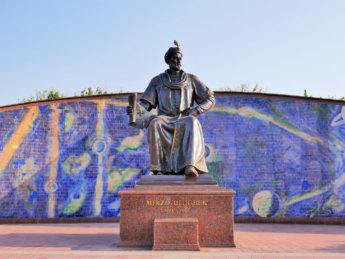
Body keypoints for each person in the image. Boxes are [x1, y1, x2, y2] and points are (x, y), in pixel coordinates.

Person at [127, 41, 215, 177]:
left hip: (184, 117)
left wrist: (195, 111)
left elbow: (210, 98)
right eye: (174, 58)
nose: (178, 60)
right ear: (168, 60)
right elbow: (145, 105)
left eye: (179, 58)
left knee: (192, 122)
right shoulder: (157, 81)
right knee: (155, 123)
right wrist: (134, 110)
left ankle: (190, 166)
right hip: (164, 119)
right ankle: (160, 169)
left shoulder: (191, 79)